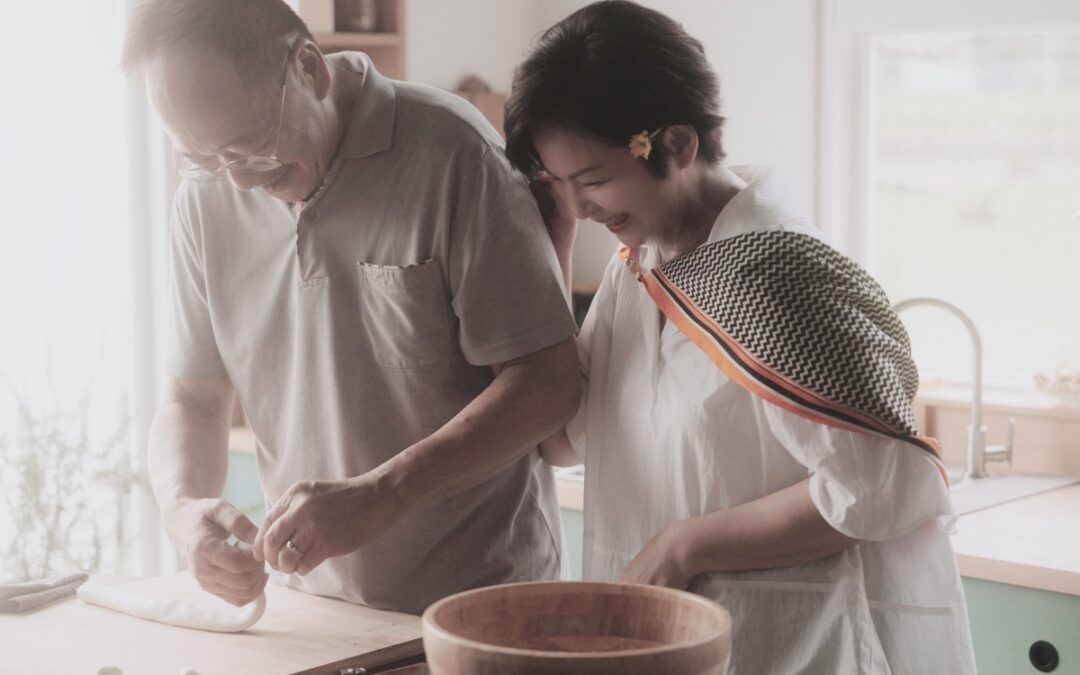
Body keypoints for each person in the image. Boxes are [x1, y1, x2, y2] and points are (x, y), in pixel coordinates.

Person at [506, 2, 978, 672]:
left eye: (595, 181)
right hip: (669, 645)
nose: (581, 209)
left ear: (677, 144)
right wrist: (552, 241)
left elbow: (879, 484)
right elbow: (558, 437)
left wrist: (684, 545)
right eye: (561, 187)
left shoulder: (778, 275)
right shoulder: (638, 269)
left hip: (794, 643)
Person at [122, 0, 581, 614]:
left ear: (308, 68)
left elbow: (549, 382)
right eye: (203, 157)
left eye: (250, 147)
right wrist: (181, 509)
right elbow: (194, 399)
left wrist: (385, 493)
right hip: (315, 610)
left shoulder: (453, 152)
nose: (238, 182)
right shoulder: (205, 197)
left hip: (483, 608)